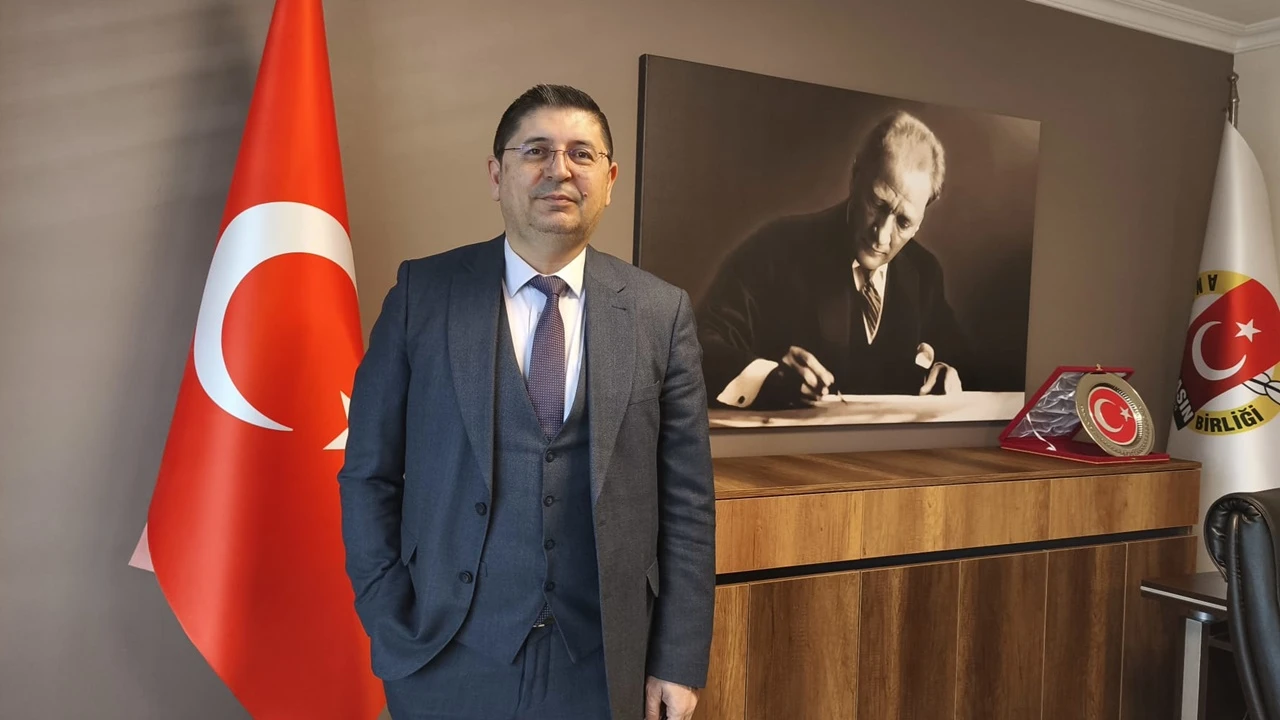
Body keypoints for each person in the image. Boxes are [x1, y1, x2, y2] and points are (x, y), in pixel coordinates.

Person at [337, 84, 716, 720]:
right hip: (443, 655)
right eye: (536, 150)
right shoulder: (421, 294)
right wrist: (387, 616)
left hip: (603, 665)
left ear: (610, 180)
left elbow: (687, 502)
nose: (559, 170)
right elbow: (368, 472)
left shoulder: (661, 311)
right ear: (497, 174)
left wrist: (677, 659)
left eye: (582, 154)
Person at [697, 110, 970, 410]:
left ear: (922, 218)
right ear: (856, 176)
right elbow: (700, 346)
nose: (881, 236)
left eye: (903, 222)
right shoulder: (776, 248)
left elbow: (964, 361)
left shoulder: (924, 272)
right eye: (877, 203)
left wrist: (945, 371)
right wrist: (771, 376)